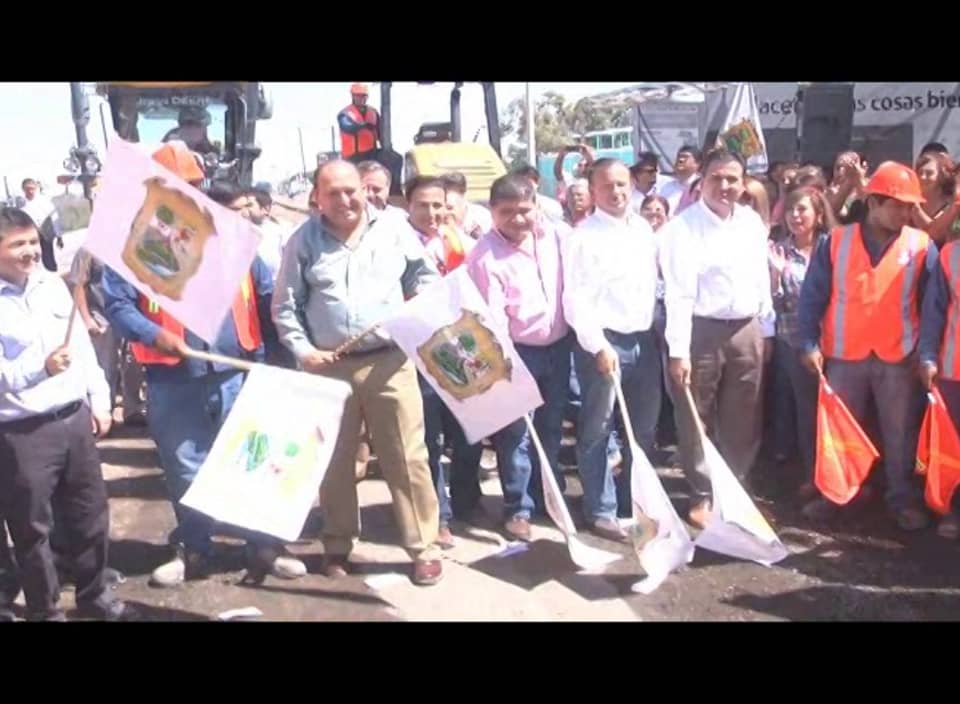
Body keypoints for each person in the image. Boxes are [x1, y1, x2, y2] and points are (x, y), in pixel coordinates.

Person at [102, 146, 306, 587]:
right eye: (173, 186)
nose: (185, 194)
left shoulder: (232, 235)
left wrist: (280, 361)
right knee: (185, 467)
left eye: (192, 186)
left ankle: (264, 547)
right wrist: (150, 332)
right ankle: (195, 549)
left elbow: (267, 295)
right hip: (173, 379)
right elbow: (116, 303)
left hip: (239, 370)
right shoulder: (131, 244)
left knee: (252, 462)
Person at [271, 160, 445, 586]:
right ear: (318, 198)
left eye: (352, 190)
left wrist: (417, 302)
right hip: (328, 367)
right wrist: (304, 350)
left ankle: (423, 548)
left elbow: (425, 275)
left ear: (365, 190)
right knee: (334, 461)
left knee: (407, 458)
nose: (346, 200)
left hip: (390, 362)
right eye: (334, 193)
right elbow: (285, 306)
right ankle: (337, 544)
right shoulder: (303, 241)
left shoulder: (395, 230)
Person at [0, 206, 133, 621]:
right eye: (17, 244)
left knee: (89, 515)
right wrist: (40, 368)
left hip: (74, 421)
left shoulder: (53, 287)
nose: (30, 252)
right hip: (23, 433)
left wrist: (99, 398)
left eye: (32, 242)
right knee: (33, 529)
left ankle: (95, 596)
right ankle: (45, 609)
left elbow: (82, 351)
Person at [798, 161, 937, 531]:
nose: (907, 212)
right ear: (874, 203)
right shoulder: (835, 242)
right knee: (840, 433)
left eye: (910, 206)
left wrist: (923, 354)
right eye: (899, 205)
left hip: (898, 358)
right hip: (844, 356)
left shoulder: (921, 246)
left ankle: (901, 499)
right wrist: (809, 342)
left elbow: (932, 307)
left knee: (900, 435)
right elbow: (812, 297)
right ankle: (837, 495)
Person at [659, 148, 775, 527]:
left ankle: (736, 491)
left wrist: (767, 330)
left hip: (746, 329)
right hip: (699, 331)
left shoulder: (751, 224)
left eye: (732, 179)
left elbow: (762, 280)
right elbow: (678, 292)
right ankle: (702, 493)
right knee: (696, 416)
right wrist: (679, 351)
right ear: (701, 181)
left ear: (744, 184)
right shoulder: (681, 228)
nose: (725, 186)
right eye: (716, 178)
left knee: (744, 415)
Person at [467, 174, 571, 541]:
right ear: (492, 212)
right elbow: (490, 320)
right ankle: (519, 509)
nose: (517, 219)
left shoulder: (555, 237)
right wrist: (507, 365)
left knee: (552, 427)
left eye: (524, 210)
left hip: (559, 348)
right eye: (506, 212)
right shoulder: (483, 255)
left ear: (537, 207)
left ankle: (549, 500)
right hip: (516, 353)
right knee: (516, 435)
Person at [562, 158, 661, 539]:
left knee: (642, 430)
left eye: (622, 184)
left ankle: (629, 502)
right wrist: (598, 346)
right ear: (593, 191)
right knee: (598, 428)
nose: (617, 192)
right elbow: (576, 301)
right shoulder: (582, 237)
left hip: (644, 341)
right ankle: (600, 509)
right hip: (603, 343)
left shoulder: (644, 231)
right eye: (607, 186)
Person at [400, 174, 481, 548]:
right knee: (428, 437)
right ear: (407, 206)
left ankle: (467, 500)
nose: (433, 213)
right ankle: (440, 515)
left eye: (439, 205)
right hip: (418, 353)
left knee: (468, 431)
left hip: (461, 348)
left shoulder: (460, 242)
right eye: (423, 205)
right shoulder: (397, 245)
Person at [767, 187, 835, 499]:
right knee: (807, 413)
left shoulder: (833, 248)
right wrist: (776, 278)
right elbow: (774, 305)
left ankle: (843, 477)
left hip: (837, 342)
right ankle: (813, 475)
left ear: (819, 215)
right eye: (791, 209)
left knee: (836, 413)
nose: (795, 215)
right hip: (794, 343)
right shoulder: (778, 251)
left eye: (803, 209)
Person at [911, 151, 960, 245]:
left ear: (941, 176)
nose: (922, 177)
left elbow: (936, 234)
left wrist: (916, 211)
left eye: (929, 173)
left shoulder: (952, 203)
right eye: (920, 172)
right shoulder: (909, 205)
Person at [20, 178, 61, 272]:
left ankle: (53, 274)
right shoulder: (22, 205)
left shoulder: (44, 202)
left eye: (32, 188)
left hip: (46, 233)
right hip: (32, 234)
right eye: (27, 189)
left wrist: (59, 235)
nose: (30, 191)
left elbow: (54, 217)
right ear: (23, 190)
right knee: (35, 257)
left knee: (48, 257)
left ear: (35, 188)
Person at [441, 171, 493, 239]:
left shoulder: (483, 218)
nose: (444, 212)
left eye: (449, 208)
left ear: (463, 199)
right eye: (440, 207)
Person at [338, 83, 381, 162]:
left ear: (367, 97)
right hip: (352, 157)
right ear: (353, 96)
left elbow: (380, 132)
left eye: (363, 95)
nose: (361, 98)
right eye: (358, 95)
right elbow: (347, 127)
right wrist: (364, 126)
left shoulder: (374, 112)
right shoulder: (345, 113)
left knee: (395, 158)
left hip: (372, 154)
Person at [658, 146, 702, 215]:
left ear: (697, 164)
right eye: (679, 157)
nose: (680, 160)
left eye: (685, 157)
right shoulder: (666, 187)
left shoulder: (700, 188)